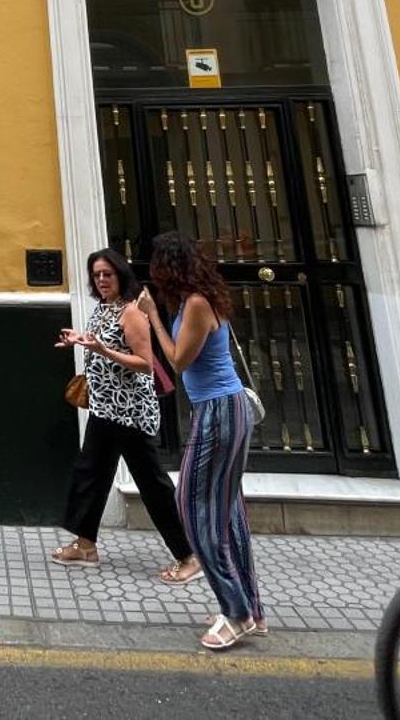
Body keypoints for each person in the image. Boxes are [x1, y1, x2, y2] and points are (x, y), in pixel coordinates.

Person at [141, 232, 266, 652]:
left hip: (218, 413)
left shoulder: (195, 303)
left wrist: (152, 318)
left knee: (193, 510)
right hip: (223, 409)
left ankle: (235, 613)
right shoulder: (199, 298)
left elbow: (178, 361)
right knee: (228, 511)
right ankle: (250, 610)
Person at [53, 248, 197, 582]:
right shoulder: (105, 308)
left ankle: (188, 555)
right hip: (105, 409)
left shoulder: (131, 312)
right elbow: (98, 343)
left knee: (152, 484)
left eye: (108, 274)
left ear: (121, 275)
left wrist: (101, 349)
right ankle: (86, 544)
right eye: (97, 275)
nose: (102, 280)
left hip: (129, 413)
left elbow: (145, 363)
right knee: (90, 473)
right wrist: (81, 341)